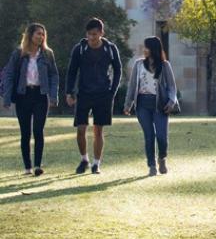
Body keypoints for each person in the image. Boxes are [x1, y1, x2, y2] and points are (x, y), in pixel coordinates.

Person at [65, 18, 123, 175]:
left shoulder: (110, 49)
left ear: (101, 33)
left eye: (95, 34)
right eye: (89, 34)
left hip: (103, 94)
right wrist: (69, 92)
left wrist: (112, 91)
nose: (92, 37)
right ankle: (84, 160)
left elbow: (118, 70)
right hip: (83, 93)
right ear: (86, 34)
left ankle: (96, 164)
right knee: (80, 129)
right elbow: (72, 71)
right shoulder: (80, 49)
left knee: (98, 130)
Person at [1, 23, 60, 176]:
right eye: (38, 34)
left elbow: (54, 75)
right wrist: (7, 98)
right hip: (23, 96)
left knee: (38, 131)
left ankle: (38, 166)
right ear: (30, 35)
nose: (41, 37)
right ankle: (27, 167)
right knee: (25, 132)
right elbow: (8, 74)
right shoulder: (18, 54)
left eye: (42, 34)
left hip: (40, 96)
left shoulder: (47, 54)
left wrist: (53, 95)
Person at [122, 36, 179, 176]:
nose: (144, 50)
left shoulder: (165, 66)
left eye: (146, 47)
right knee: (149, 136)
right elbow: (133, 86)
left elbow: (172, 87)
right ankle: (152, 165)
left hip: (160, 105)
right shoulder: (138, 64)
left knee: (161, 136)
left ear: (153, 49)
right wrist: (127, 104)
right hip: (142, 104)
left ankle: (162, 158)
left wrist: (171, 102)